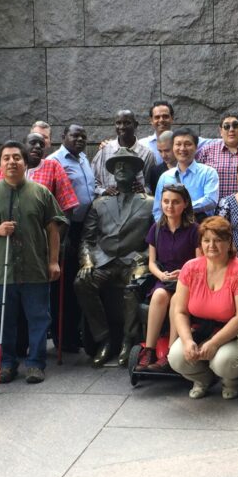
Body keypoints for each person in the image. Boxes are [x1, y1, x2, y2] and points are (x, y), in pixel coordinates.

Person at [0, 140, 67, 385]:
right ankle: (7, 363)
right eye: (6, 158)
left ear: (25, 163)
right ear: (0, 163)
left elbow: (53, 229)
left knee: (38, 318)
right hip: (1, 270)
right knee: (3, 319)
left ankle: (35, 363)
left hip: (35, 266)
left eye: (16, 158)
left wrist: (53, 261)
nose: (12, 162)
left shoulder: (41, 192)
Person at [75, 148, 155, 367]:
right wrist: (88, 261)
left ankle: (128, 341)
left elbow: (156, 239)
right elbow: (87, 238)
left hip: (134, 260)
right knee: (82, 282)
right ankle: (104, 340)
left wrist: (145, 260)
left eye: (126, 164)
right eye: (117, 165)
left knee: (133, 286)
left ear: (136, 171)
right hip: (104, 260)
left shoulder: (149, 202)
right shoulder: (100, 203)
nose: (120, 168)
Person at [167, 217, 238, 399]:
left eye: (218, 240)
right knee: (176, 357)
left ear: (229, 241)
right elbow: (180, 311)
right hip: (199, 328)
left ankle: (232, 380)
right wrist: (187, 340)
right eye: (206, 240)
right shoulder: (190, 268)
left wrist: (214, 343)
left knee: (223, 362)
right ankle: (203, 379)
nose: (211, 245)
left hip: (235, 331)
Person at [135, 184, 201, 372]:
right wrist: (161, 275)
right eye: (166, 201)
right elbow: (152, 263)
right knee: (159, 296)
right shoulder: (156, 229)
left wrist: (184, 273)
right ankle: (149, 349)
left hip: (187, 280)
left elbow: (199, 262)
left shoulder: (194, 230)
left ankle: (171, 352)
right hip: (164, 278)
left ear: (185, 204)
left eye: (175, 202)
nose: (170, 206)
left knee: (176, 303)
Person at [48, 124, 97, 353]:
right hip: (65, 227)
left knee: (79, 282)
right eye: (74, 135)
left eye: (83, 136)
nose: (79, 139)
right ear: (63, 137)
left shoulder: (84, 159)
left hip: (84, 227)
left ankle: (74, 332)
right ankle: (62, 336)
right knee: (64, 286)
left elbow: (89, 189)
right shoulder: (55, 161)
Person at [153, 128, 219, 221]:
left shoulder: (208, 172)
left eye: (187, 144)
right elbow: (157, 209)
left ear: (196, 147)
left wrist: (181, 207)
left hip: (200, 229)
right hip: (171, 230)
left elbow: (211, 201)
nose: (182, 148)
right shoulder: (165, 177)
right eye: (178, 144)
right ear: (173, 147)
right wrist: (163, 229)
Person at [195, 113, 238, 201]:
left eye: (235, 125)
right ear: (221, 131)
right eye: (226, 126)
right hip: (215, 209)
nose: (231, 129)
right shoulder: (207, 150)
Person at [91, 110, 157, 195]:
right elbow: (92, 181)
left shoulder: (147, 154)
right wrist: (103, 191)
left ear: (136, 125)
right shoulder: (104, 151)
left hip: (137, 205)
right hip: (109, 205)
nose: (122, 127)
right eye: (118, 123)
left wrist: (144, 190)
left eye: (127, 123)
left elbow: (151, 184)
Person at [138, 100, 174, 165]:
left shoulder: (181, 143)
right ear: (151, 120)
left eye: (165, 116)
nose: (161, 120)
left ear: (172, 118)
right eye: (157, 117)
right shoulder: (142, 145)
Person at [145, 130, 175, 195]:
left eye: (167, 151)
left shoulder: (188, 168)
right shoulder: (155, 172)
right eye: (160, 151)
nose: (163, 155)